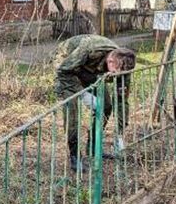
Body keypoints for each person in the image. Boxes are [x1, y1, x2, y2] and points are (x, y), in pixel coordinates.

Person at [53, 35, 136, 170]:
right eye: (115, 73)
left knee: (106, 106)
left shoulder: (124, 65)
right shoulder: (90, 49)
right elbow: (63, 70)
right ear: (110, 61)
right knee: (72, 109)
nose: (118, 76)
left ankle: (93, 148)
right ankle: (75, 156)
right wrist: (84, 94)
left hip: (90, 71)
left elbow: (121, 101)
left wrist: (119, 133)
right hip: (67, 66)